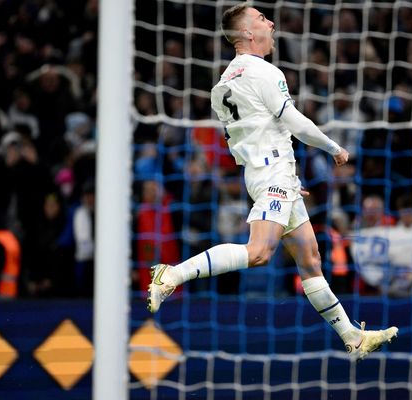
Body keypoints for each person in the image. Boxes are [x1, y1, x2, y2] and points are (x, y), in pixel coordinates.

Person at [148, 3, 397, 359]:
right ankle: (171, 275)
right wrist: (333, 148)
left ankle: (353, 338)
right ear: (248, 32)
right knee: (260, 252)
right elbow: (293, 121)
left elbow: (245, 139)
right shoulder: (264, 71)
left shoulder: (224, 83)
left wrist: (286, 179)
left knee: (310, 258)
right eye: (263, 19)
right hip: (272, 172)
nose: (271, 23)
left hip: (267, 172)